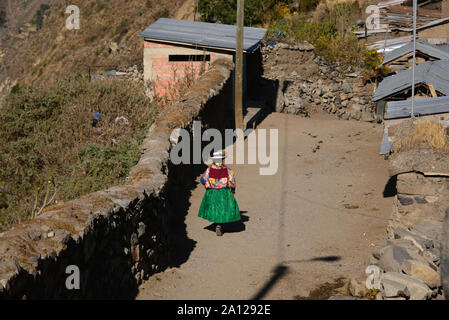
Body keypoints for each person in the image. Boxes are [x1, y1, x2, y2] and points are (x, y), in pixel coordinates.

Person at [198, 150, 241, 236]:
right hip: (224, 192)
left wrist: (207, 184)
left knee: (214, 208)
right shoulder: (228, 170)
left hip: (212, 192)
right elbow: (232, 181)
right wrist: (233, 190)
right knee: (222, 209)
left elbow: (203, 179)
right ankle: (219, 225)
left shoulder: (209, 170)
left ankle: (217, 224)